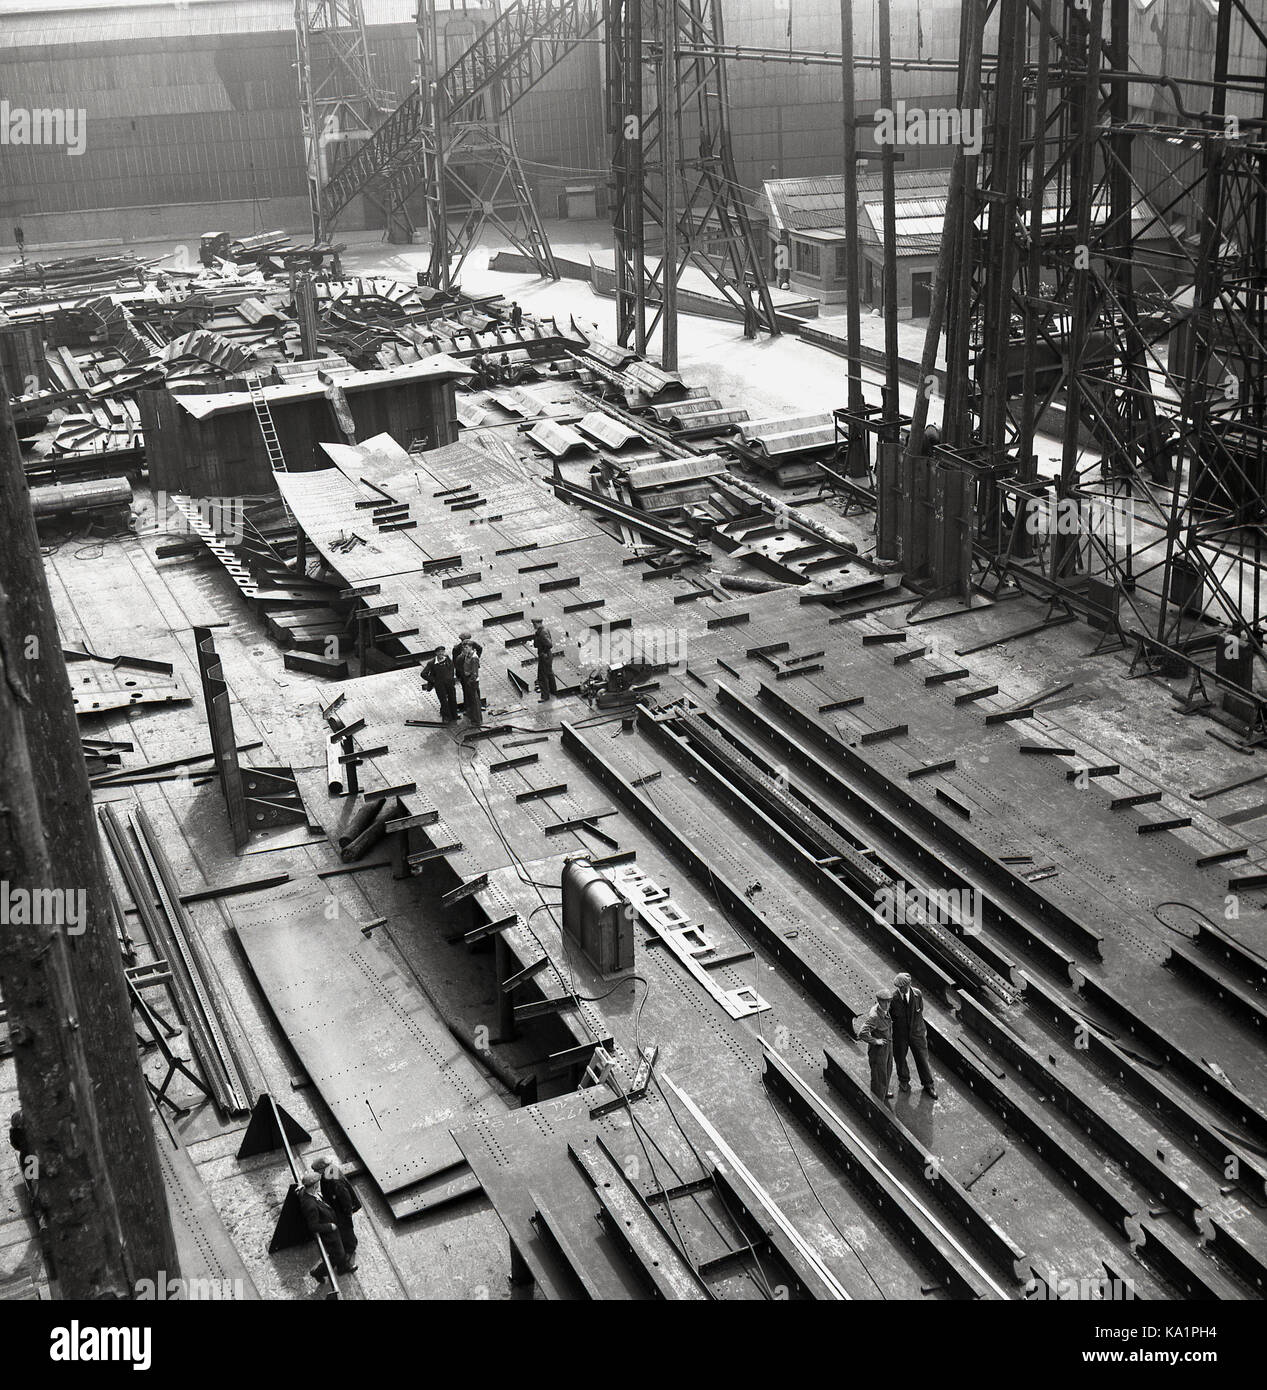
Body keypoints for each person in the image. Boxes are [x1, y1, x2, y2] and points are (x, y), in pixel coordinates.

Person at [297, 1170, 356, 1282]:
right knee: (337, 1255)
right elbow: (313, 1226)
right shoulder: (310, 1206)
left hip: (332, 1225)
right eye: (318, 1183)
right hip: (329, 1233)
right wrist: (330, 1226)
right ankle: (318, 1272)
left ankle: (343, 1268)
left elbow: (302, 1191)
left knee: (341, 1251)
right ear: (314, 1186)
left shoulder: (308, 1192)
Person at [891, 972, 938, 1098]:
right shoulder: (893, 999)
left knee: (922, 1058)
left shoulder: (917, 994)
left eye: (903, 986)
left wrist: (919, 1030)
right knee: (900, 1058)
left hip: (917, 1033)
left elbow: (919, 1011)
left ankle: (928, 1084)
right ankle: (904, 1080)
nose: (901, 989)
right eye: (899, 987)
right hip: (900, 1035)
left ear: (909, 984)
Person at [312, 1156, 361, 1262]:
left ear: (323, 1168)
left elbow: (345, 1198)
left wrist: (347, 1213)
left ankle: (350, 1248)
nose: (315, 1172)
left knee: (346, 1228)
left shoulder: (335, 1181)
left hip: (342, 1210)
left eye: (316, 1170)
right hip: (337, 1207)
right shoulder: (329, 1172)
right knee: (343, 1227)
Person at [857, 988, 895, 1101]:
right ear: (879, 1001)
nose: (887, 1004)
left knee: (888, 1070)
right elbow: (862, 1033)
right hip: (879, 1051)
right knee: (879, 1077)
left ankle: (883, 1092)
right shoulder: (875, 1016)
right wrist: (875, 1041)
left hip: (888, 1046)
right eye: (884, 1001)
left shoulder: (884, 1010)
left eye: (889, 1001)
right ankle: (878, 1101)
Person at [420, 645, 458, 722]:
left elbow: (451, 667)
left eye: (442, 652)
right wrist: (434, 680)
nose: (441, 654)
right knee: (443, 700)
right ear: (436, 653)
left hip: (449, 683)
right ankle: (446, 717)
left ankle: (454, 715)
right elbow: (423, 674)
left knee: (452, 699)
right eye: (439, 652)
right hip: (440, 685)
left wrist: (451, 677)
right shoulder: (431, 663)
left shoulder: (447, 658)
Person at [453, 633, 483, 726]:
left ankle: (476, 721)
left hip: (471, 681)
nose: (464, 649)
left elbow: (474, 674)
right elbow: (457, 662)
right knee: (473, 700)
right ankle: (473, 716)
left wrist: (469, 682)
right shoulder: (467, 655)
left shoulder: (473, 658)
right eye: (463, 648)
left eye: (466, 648)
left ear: (471, 647)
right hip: (468, 679)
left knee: (474, 701)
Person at [532, 617, 556, 701]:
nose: (533, 626)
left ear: (538, 624)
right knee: (549, 673)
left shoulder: (542, 633)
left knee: (542, 677)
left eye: (534, 624)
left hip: (544, 656)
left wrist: (543, 653)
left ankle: (545, 696)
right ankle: (553, 691)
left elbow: (549, 644)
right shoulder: (544, 630)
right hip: (547, 655)